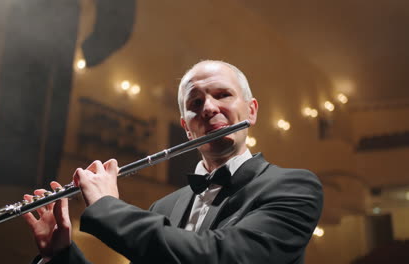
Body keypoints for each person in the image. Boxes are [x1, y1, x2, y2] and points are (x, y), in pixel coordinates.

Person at [23, 60, 323, 264]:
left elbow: (221, 257)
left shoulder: (294, 186)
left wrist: (107, 207)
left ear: (251, 111)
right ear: (186, 127)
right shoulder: (163, 209)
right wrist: (62, 255)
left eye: (223, 95)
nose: (209, 108)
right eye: (195, 103)